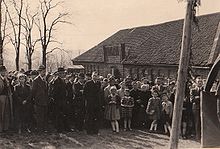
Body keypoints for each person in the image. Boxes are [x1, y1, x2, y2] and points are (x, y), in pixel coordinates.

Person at [49, 67, 69, 132]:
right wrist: (57, 100)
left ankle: (62, 127)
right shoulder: (56, 81)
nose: (64, 74)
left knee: (63, 114)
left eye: (64, 73)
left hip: (63, 100)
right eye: (62, 73)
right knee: (58, 115)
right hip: (58, 101)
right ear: (59, 74)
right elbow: (54, 92)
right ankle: (59, 128)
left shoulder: (62, 80)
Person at [32, 65, 49, 132]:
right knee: (39, 116)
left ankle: (44, 128)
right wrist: (35, 100)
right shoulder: (36, 80)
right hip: (38, 101)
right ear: (39, 72)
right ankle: (39, 129)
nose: (44, 73)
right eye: (43, 72)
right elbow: (33, 91)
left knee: (44, 115)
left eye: (45, 71)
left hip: (44, 101)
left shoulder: (45, 80)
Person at [190, 76, 203, 140]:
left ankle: (203, 135)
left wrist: (197, 97)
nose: (200, 83)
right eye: (198, 82)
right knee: (197, 122)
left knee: (202, 122)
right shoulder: (193, 90)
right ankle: (197, 136)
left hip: (203, 108)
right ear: (196, 82)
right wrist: (198, 98)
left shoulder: (204, 89)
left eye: (201, 82)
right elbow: (192, 99)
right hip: (195, 108)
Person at [0, 66, 12, 133]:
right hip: (1, 97)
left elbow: (8, 89)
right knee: (1, 113)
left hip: (7, 97)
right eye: (3, 71)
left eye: (5, 71)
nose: (4, 72)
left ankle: (5, 127)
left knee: (6, 113)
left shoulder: (6, 79)